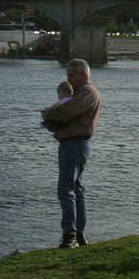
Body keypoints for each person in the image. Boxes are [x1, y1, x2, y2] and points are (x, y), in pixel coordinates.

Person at [41, 59, 100, 248]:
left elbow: (66, 112)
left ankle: (70, 235)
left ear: (84, 74)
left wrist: (48, 113)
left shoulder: (87, 93)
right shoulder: (81, 93)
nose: (68, 79)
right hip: (73, 144)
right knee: (76, 188)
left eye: (71, 75)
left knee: (66, 189)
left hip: (74, 144)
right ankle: (78, 233)